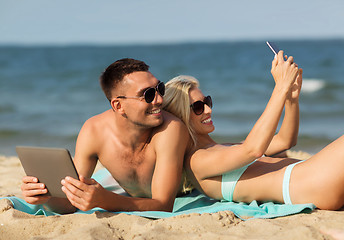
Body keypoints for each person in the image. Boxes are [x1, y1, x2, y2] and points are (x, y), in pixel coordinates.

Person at [163, 51, 344, 210]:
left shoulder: (219, 150)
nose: (208, 110)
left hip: (313, 178)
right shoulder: (196, 161)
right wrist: (280, 87)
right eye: (197, 107)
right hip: (311, 182)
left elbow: (285, 140)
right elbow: (253, 149)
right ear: (181, 116)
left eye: (207, 102)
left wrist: (291, 99)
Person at [21, 58, 189, 213]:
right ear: (118, 105)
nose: (159, 100)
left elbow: (163, 205)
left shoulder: (171, 129)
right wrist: (45, 198)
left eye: (159, 89)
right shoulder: (94, 131)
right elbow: (69, 204)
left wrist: (105, 200)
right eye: (148, 95)